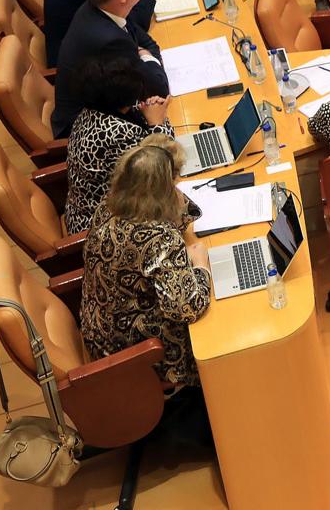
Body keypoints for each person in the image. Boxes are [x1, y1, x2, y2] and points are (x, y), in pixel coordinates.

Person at [80, 135, 215, 451]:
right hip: (138, 349)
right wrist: (201, 267)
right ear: (164, 189)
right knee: (223, 318)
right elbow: (187, 307)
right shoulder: (158, 239)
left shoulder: (107, 207)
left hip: (102, 329)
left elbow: (185, 217)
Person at [52, 0, 169, 139]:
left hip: (104, 109)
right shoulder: (109, 40)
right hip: (91, 130)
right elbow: (159, 88)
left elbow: (146, 41)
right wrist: (147, 56)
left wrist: (143, 53)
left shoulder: (102, 7)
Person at [64, 56, 173, 237]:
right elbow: (163, 167)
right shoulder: (117, 134)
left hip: (84, 210)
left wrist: (148, 111)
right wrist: (158, 124)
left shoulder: (91, 111)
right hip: (107, 228)